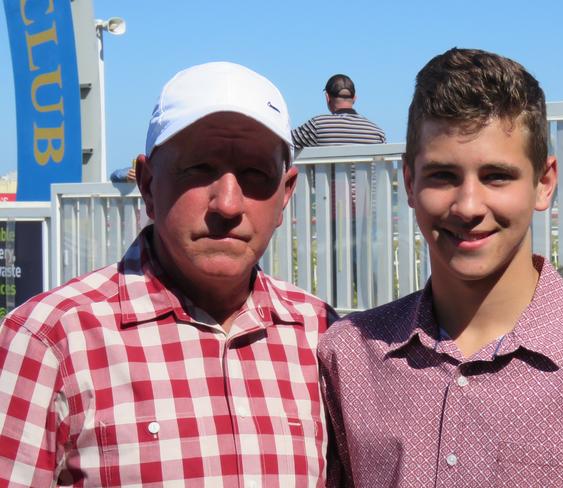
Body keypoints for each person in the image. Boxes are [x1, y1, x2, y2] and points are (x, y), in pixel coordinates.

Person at [318, 48, 563, 487]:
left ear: (544, 182)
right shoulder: (349, 357)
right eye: (442, 176)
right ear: (410, 184)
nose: (469, 206)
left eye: (496, 176)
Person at [0, 62, 336, 486]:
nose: (228, 204)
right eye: (198, 169)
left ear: (285, 194)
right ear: (147, 184)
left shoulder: (322, 338)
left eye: (255, 174)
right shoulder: (51, 341)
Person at [291, 74, 386, 148]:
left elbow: (284, 140)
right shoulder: (377, 133)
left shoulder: (317, 125)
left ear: (327, 97)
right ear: (355, 98)